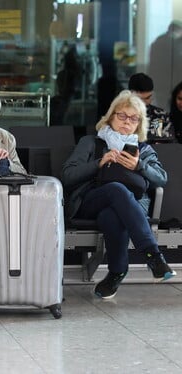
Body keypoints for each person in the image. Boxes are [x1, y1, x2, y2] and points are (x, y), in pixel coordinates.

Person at [62, 90, 174, 299]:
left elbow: (161, 178)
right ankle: (154, 257)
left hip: (129, 207)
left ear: (139, 124)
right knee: (117, 189)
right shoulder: (91, 142)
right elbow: (68, 176)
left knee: (112, 215)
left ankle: (117, 272)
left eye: (133, 118)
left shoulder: (143, 149)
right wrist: (99, 163)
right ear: (111, 116)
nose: (126, 122)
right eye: (121, 115)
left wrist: (139, 165)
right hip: (91, 200)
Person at [128, 73, 173, 141]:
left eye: (147, 98)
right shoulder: (119, 115)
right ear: (129, 94)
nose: (143, 103)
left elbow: (165, 142)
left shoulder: (159, 116)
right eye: (139, 99)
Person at [148, 20, 182, 108]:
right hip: (173, 83)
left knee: (162, 107)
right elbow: (178, 64)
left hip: (159, 83)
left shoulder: (157, 41)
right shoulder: (175, 44)